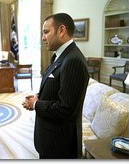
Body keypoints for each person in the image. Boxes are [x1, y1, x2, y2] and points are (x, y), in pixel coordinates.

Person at [22, 13, 89, 159]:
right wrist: (39, 96)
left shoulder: (73, 60)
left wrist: (36, 104)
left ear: (61, 30)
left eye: (46, 32)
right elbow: (57, 89)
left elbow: (65, 109)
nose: (43, 37)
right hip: (49, 139)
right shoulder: (58, 55)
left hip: (59, 145)